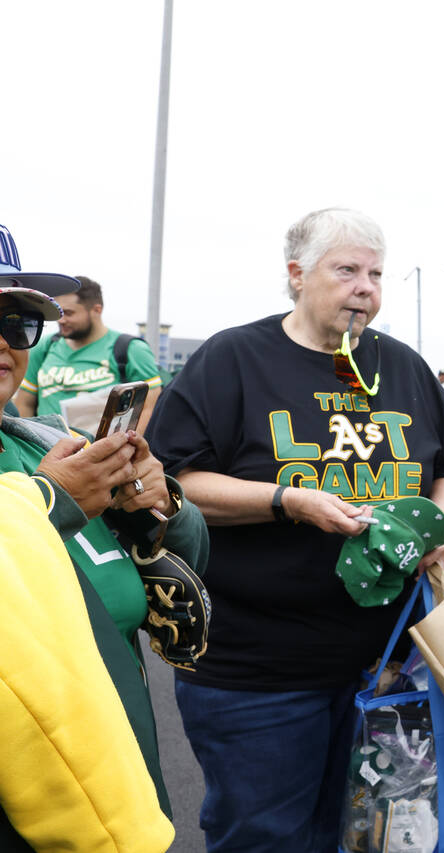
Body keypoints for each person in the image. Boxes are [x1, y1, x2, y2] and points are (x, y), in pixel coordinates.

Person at [145, 207, 444, 853]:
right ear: (297, 274)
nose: (365, 286)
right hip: (257, 670)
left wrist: (434, 525)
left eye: (376, 273)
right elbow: (168, 479)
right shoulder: (234, 358)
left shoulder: (401, 366)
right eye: (346, 269)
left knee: (360, 836)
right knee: (263, 837)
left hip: (385, 670)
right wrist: (286, 499)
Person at [0, 225, 209, 836]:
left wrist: (161, 502)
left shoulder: (43, 444)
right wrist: (53, 501)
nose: (4, 342)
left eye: (16, 323)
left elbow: (185, 565)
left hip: (121, 800)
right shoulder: (57, 476)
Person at [0, 471, 173, 853]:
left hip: (130, 775)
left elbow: (180, 558)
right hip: (81, 824)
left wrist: (166, 504)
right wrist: (50, 496)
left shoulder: (55, 447)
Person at [16, 274, 164, 433]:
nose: (61, 320)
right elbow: (25, 403)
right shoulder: (44, 347)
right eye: (59, 313)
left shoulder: (131, 349)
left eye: (69, 313)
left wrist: (126, 448)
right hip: (46, 448)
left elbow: (150, 405)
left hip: (101, 451)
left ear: (96, 310)